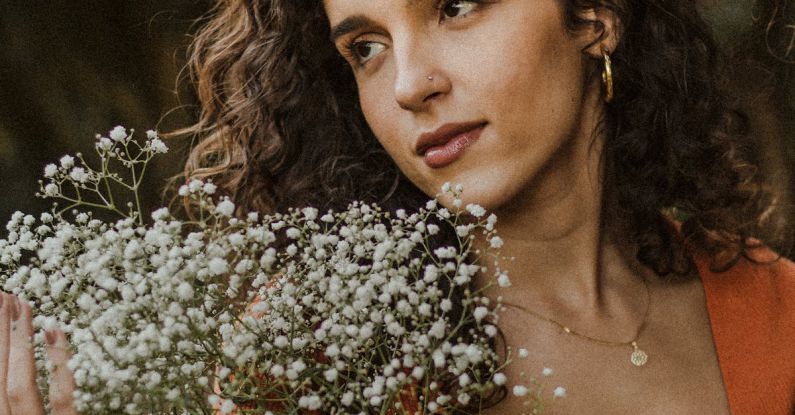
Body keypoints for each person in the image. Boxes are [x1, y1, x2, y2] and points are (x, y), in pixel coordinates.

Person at [1, 0, 793, 414]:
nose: (410, 84)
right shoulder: (310, 357)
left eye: (455, 5)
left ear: (592, 15)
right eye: (365, 49)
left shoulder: (777, 313)